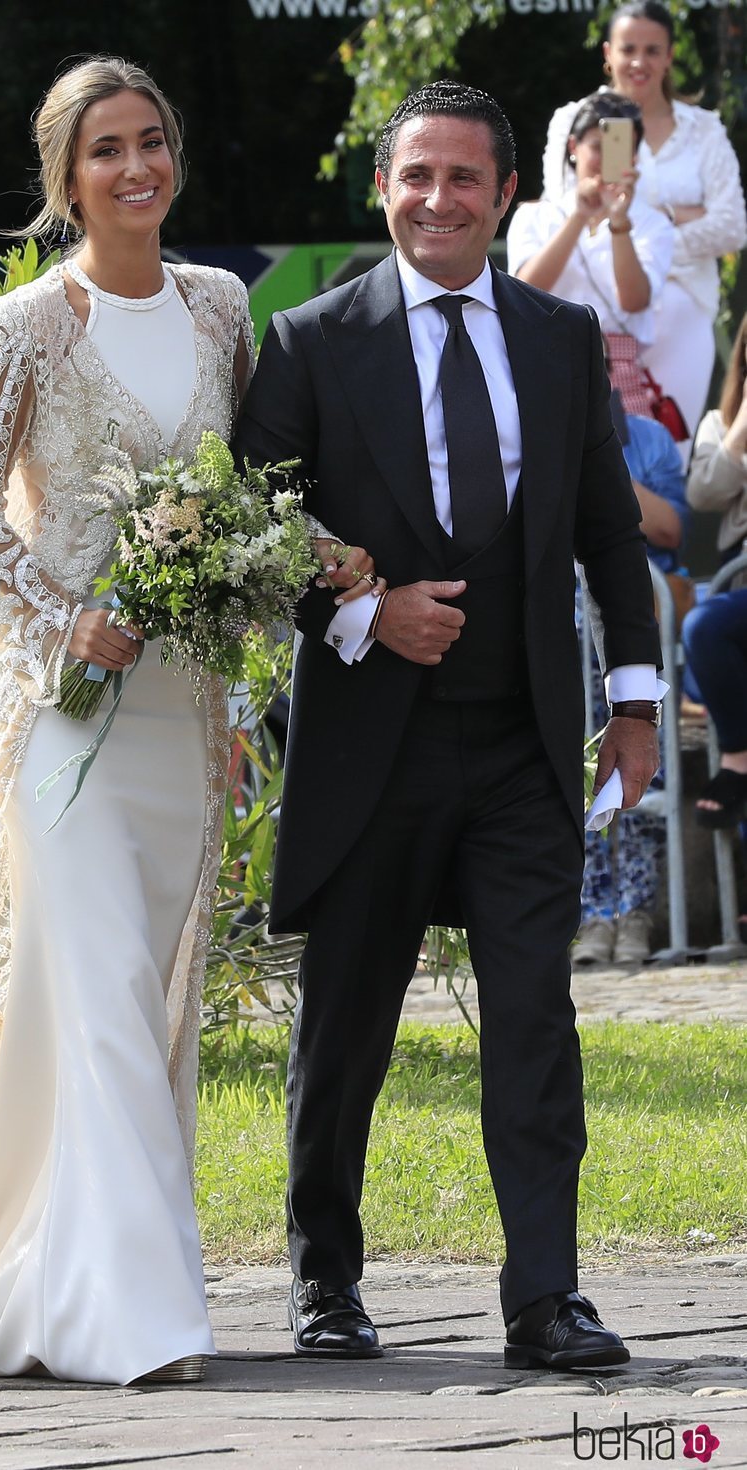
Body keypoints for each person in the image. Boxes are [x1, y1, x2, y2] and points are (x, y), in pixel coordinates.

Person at [0, 55, 372, 1386]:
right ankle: (133, 1317)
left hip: (176, 714)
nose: (136, 167)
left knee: (126, 1000)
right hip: (57, 711)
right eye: (106, 149)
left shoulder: (221, 308)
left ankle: (59, 1275)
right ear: (65, 177)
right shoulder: (26, 326)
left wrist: (326, 558)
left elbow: (245, 489)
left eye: (152, 140)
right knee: (93, 990)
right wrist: (64, 623)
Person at [235, 80, 662, 1371]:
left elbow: (603, 531)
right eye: (415, 177)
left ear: (505, 194)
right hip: (374, 744)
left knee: (535, 1016)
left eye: (464, 178)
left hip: (522, 745)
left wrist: (634, 701)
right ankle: (325, 1278)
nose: (438, 200)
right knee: (348, 1023)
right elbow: (255, 529)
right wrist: (365, 615)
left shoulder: (558, 337)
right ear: (382, 191)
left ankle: (547, 1296)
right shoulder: (309, 341)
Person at [541, 0, 746, 461]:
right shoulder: (573, 121)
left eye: (653, 50)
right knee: (588, 451)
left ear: (670, 56)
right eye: (629, 48)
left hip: (680, 311)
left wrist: (658, 228)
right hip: (592, 315)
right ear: (608, 52)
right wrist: (681, 215)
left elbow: (732, 225)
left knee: (667, 450)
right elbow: (564, 213)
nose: (639, 62)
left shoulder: (702, 130)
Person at [574, 401, 688, 967]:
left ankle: (636, 909)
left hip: (634, 640)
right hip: (561, 646)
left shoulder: (649, 440)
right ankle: (592, 912)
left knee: (636, 767)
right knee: (576, 769)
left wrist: (595, 462)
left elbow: (668, 527)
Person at [507, 91, 674, 419]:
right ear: (573, 148)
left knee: (622, 469)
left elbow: (633, 300)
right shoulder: (536, 216)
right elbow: (524, 291)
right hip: (543, 361)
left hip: (619, 373)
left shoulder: (653, 223)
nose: (608, 158)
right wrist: (579, 217)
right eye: (598, 147)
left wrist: (619, 220)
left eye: (622, 149)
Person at [683, 311, 747, 832]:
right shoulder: (721, 423)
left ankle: (738, 764)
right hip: (739, 581)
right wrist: (742, 428)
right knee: (704, 628)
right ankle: (739, 758)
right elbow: (702, 495)